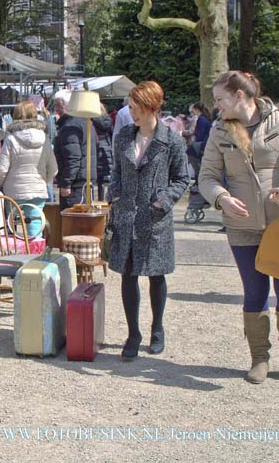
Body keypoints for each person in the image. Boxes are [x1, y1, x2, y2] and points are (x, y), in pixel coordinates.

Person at [199, 71, 279, 385]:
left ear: (240, 95)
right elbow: (207, 177)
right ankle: (259, 358)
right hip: (241, 226)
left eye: (220, 99)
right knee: (255, 292)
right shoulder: (219, 130)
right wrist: (221, 198)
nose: (216, 106)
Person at [108, 81, 189, 360]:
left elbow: (182, 178)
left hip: (155, 219)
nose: (132, 113)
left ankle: (157, 329)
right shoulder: (123, 138)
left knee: (156, 275)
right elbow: (115, 172)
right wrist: (115, 196)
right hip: (127, 216)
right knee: (128, 275)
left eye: (136, 108)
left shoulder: (172, 140)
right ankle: (133, 333)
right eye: (130, 108)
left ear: (151, 106)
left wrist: (162, 201)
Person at [0, 100, 57, 237]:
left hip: (14, 191)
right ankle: (35, 254)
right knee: (35, 226)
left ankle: (14, 256)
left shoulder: (11, 139)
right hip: (38, 190)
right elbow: (53, 168)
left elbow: (2, 169)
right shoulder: (45, 138)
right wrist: (44, 180)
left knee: (12, 227)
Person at [53, 90, 97, 210]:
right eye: (55, 105)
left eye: (58, 105)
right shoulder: (85, 122)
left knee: (72, 223)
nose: (56, 109)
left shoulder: (70, 127)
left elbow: (73, 158)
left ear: (68, 105)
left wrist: (67, 183)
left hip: (75, 185)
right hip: (84, 182)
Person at [184, 101, 213, 182]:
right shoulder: (205, 118)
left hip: (202, 144)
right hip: (205, 143)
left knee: (191, 157)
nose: (193, 113)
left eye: (193, 111)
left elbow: (200, 135)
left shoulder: (201, 119)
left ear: (197, 110)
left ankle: (198, 179)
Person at [92, 104, 113, 202]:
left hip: (96, 148)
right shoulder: (108, 120)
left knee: (95, 179)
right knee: (104, 180)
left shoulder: (91, 120)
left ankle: (96, 201)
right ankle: (104, 200)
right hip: (107, 148)